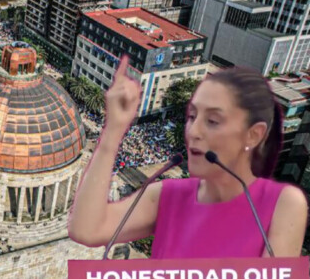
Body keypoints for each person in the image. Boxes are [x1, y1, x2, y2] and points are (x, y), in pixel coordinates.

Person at [68, 56, 308, 258]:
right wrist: (113, 131)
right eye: (192, 117)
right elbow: (86, 230)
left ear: (253, 135)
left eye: (212, 121)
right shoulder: (167, 195)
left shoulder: (281, 204)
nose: (193, 131)